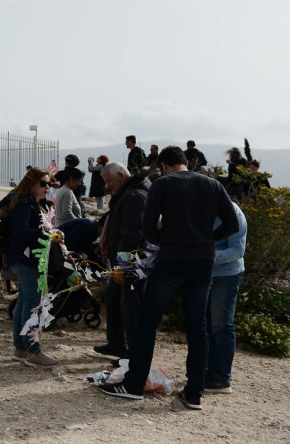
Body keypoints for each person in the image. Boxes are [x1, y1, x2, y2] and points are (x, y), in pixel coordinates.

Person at [100, 146, 238, 410]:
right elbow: (231, 224)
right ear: (187, 162)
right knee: (198, 327)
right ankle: (194, 393)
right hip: (204, 261)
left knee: (146, 322)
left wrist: (167, 240)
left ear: (163, 165)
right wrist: (206, 239)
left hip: (172, 259)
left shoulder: (162, 184)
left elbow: (148, 228)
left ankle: (133, 385)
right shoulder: (213, 184)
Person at [0, 168, 60, 368]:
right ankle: (33, 352)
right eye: (43, 183)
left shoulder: (29, 202)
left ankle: (21, 348)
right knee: (32, 306)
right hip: (26, 259)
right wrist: (46, 233)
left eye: (49, 183)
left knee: (24, 302)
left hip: (22, 258)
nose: (47, 187)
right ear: (31, 183)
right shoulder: (25, 203)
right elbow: (21, 231)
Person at [93, 162, 150, 359]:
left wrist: (123, 266)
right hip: (123, 260)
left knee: (130, 308)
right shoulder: (128, 194)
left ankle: (132, 355)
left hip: (131, 262)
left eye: (109, 181)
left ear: (120, 175)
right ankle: (117, 344)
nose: (108, 186)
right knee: (113, 298)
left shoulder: (134, 196)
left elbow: (131, 234)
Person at [206, 201, 247, 394]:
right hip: (203, 273)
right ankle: (207, 372)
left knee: (221, 325)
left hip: (226, 274)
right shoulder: (195, 206)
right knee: (205, 324)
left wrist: (206, 255)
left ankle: (221, 379)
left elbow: (238, 251)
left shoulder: (233, 213)